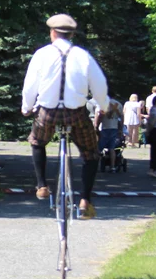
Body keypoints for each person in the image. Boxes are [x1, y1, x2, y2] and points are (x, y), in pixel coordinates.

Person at [21, 13, 108, 220]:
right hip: (76, 114)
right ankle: (85, 200)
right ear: (71, 34)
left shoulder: (41, 55)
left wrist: (26, 107)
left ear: (52, 33)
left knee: (37, 142)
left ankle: (42, 185)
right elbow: (99, 85)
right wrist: (103, 106)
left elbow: (30, 85)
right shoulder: (83, 55)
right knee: (90, 153)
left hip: (47, 113)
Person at [94, 95, 123, 171]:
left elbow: (99, 115)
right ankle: (112, 167)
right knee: (112, 148)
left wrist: (96, 126)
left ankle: (95, 165)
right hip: (114, 127)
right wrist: (121, 129)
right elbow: (121, 117)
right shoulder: (118, 104)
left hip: (105, 127)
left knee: (99, 148)